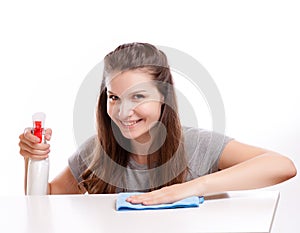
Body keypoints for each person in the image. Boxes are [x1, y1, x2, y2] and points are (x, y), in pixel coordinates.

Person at [19, 42, 297, 205]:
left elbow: (282, 166)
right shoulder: (97, 152)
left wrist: (192, 187)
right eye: (114, 97)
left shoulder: (197, 146)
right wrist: (32, 159)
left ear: (163, 97)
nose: (123, 112)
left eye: (138, 96)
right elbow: (43, 200)